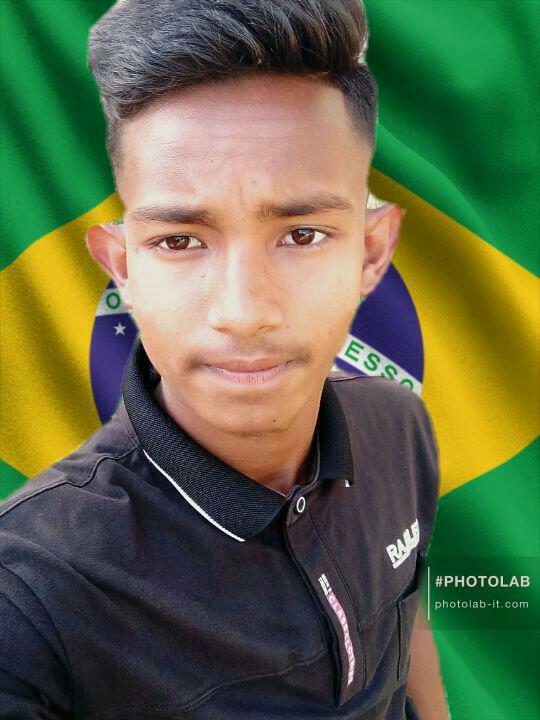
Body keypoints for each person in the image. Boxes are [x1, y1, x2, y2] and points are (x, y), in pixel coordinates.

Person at [0, 1, 449, 718]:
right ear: (122, 267)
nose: (243, 312)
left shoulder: (401, 427)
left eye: (301, 235)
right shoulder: (27, 596)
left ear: (371, 253)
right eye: (179, 241)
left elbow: (408, 629)